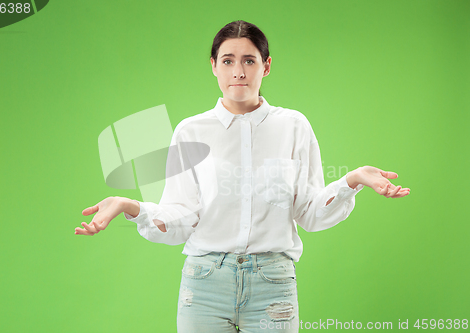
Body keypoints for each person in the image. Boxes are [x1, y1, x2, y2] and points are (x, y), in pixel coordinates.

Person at [75, 20, 410, 332]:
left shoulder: (293, 127)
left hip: (273, 281)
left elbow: (309, 212)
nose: (238, 71)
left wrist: (351, 180)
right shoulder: (191, 130)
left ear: (266, 66)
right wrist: (130, 205)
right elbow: (181, 213)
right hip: (205, 283)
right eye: (228, 61)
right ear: (213, 66)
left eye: (249, 61)